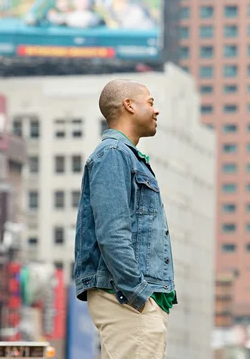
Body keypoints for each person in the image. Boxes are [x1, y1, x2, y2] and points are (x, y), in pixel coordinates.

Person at [73, 79, 177, 359]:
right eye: (151, 102)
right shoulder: (113, 155)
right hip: (125, 298)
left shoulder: (126, 157)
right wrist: (139, 295)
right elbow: (112, 235)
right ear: (129, 105)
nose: (156, 111)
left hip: (130, 298)